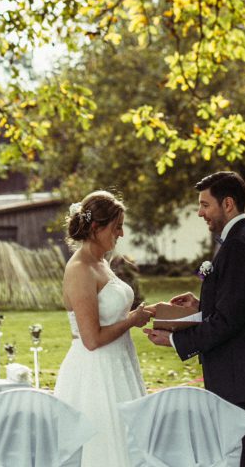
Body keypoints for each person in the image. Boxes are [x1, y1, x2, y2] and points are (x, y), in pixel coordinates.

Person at [144, 171, 245, 467]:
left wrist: (175, 338)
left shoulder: (240, 244)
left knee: (242, 453)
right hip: (244, 368)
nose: (200, 213)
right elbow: (242, 305)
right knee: (242, 449)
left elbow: (228, 321)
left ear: (228, 204)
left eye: (205, 205)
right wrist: (201, 303)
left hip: (239, 370)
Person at [54, 191, 151, 467]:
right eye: (116, 225)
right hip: (95, 373)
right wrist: (132, 320)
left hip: (121, 363)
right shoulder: (80, 268)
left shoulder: (101, 262)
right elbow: (92, 339)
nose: (121, 233)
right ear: (96, 228)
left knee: (128, 443)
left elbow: (111, 316)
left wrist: (142, 314)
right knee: (104, 448)